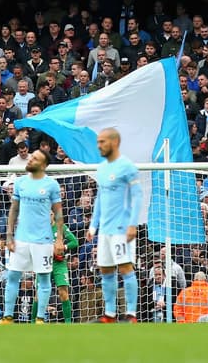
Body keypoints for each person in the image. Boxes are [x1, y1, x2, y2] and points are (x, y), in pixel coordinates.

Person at [0, 149, 64, 324]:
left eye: (35, 158)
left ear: (43, 165)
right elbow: (14, 209)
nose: (30, 159)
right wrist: (9, 235)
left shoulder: (51, 185)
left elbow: (58, 213)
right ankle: (7, 317)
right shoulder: (20, 182)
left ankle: (40, 318)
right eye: (31, 156)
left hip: (43, 240)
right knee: (13, 276)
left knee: (43, 278)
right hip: (21, 238)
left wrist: (59, 239)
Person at [87, 128, 143, 323]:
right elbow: (100, 199)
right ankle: (110, 314)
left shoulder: (127, 166)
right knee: (106, 270)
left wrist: (132, 224)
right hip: (105, 229)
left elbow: (137, 196)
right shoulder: (101, 168)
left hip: (121, 228)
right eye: (98, 142)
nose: (99, 146)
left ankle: (131, 314)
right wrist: (93, 226)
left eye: (102, 142)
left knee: (125, 267)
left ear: (114, 142)